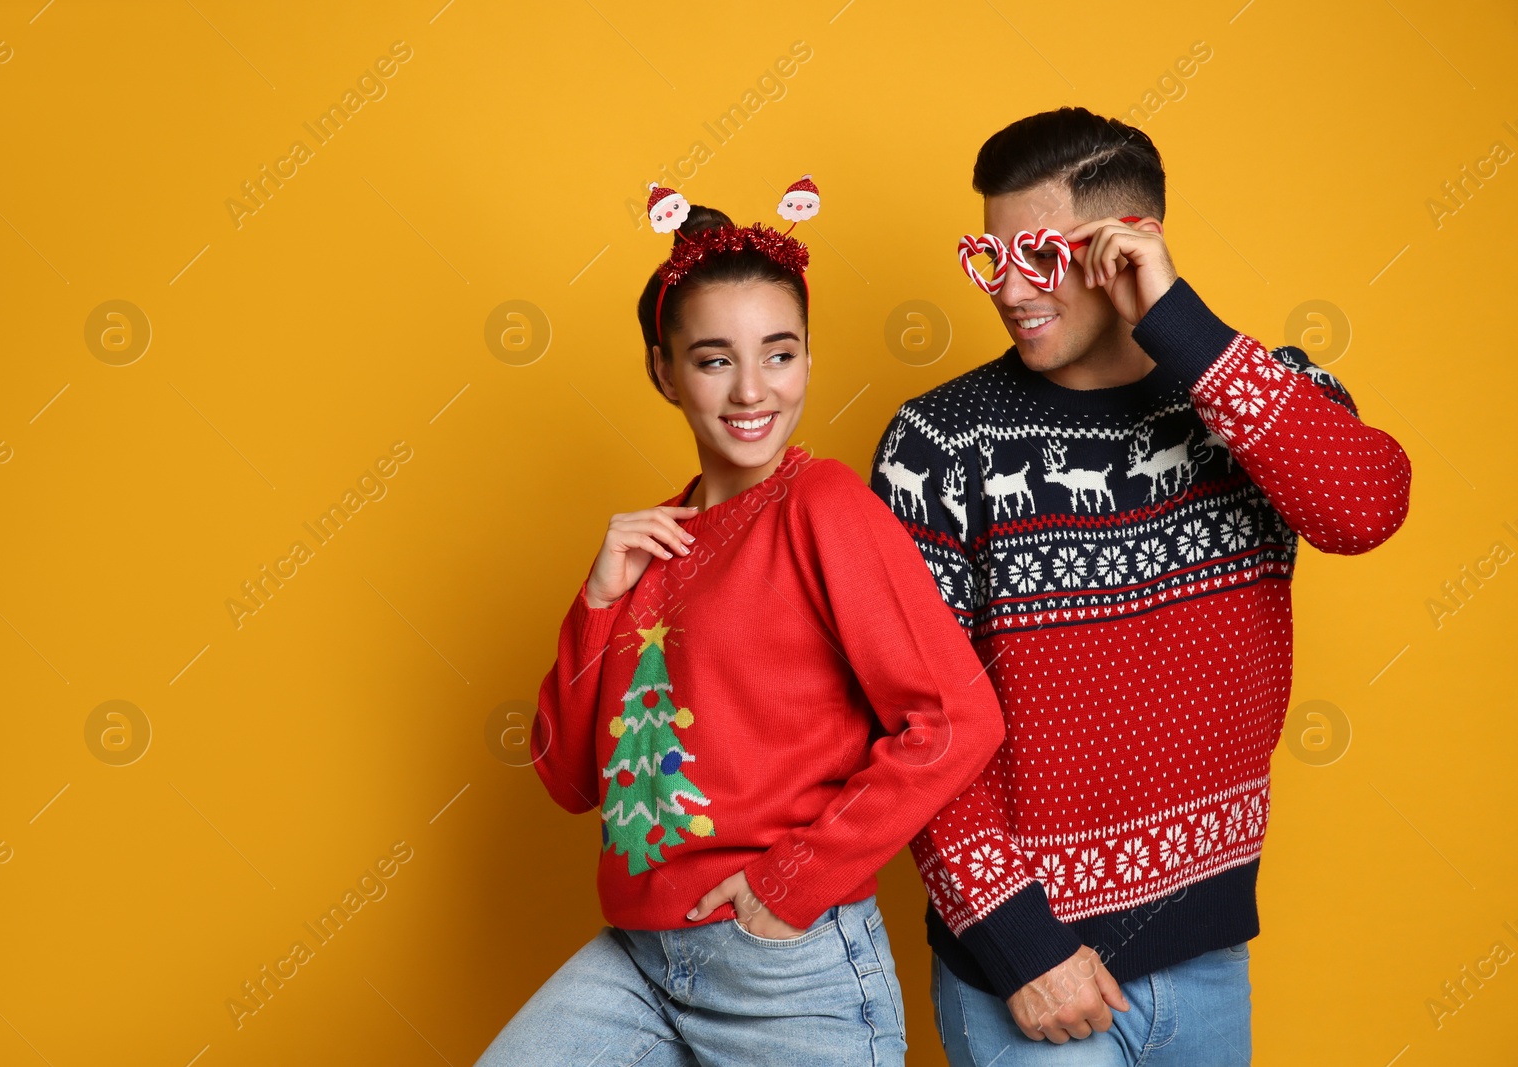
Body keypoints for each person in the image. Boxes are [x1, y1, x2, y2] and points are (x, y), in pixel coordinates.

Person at [869, 107, 1412, 1065]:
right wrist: (1022, 949)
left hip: (1209, 962)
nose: (1010, 288)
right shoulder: (941, 445)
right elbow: (912, 717)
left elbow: (1365, 507)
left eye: (1040, 254)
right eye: (990, 256)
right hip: (1030, 981)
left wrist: (1180, 327)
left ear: (1131, 244)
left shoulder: (1254, 397)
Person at [476, 181, 1008, 1067]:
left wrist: (790, 881)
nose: (753, 388)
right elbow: (569, 778)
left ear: (807, 357)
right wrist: (600, 599)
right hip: (644, 957)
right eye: (716, 359)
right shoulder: (650, 544)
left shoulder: (821, 503)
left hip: (782, 967)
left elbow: (955, 719)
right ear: (664, 370)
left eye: (781, 352)